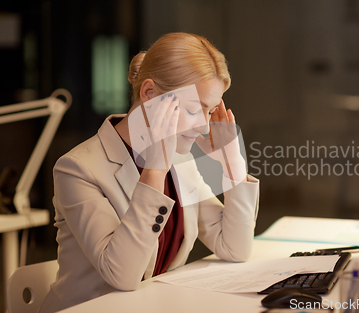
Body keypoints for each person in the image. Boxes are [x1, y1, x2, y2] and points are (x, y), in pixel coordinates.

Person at [39, 32, 259, 312]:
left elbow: (234, 248)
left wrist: (234, 165)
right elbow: (121, 275)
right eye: (194, 110)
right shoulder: (78, 169)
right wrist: (154, 171)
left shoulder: (182, 158)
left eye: (211, 110)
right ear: (150, 94)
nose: (205, 127)